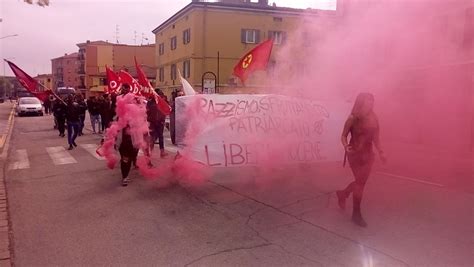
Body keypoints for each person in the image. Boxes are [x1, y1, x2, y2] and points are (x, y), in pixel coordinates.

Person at [336, 93, 386, 227]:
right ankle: (356, 214)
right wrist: (346, 147)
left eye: (372, 101)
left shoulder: (374, 118)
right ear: (361, 103)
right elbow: (343, 136)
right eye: (368, 101)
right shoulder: (353, 118)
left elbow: (376, 138)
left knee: (360, 182)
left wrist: (381, 152)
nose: (371, 104)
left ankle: (343, 194)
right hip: (355, 154)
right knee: (360, 184)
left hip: (368, 154)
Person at [116, 84, 139, 186]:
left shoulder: (134, 120)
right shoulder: (120, 118)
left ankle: (125, 175)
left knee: (128, 159)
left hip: (132, 143)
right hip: (124, 143)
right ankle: (124, 177)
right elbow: (115, 129)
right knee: (125, 159)